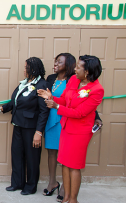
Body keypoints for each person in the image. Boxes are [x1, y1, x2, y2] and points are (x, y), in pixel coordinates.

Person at [38, 55, 104, 203]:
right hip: (66, 127)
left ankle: (73, 199)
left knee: (74, 166)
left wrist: (56, 107)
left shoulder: (97, 90)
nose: (74, 69)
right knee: (64, 162)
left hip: (80, 132)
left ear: (87, 71)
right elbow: (66, 100)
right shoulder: (74, 79)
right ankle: (66, 197)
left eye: (78, 67)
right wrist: (52, 97)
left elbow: (79, 113)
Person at [0, 57, 49, 195]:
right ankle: (17, 183)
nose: (23, 69)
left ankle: (30, 186)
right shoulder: (24, 83)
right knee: (17, 155)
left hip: (32, 128)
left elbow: (44, 111)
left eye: (26, 67)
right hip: (18, 124)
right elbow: (14, 102)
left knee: (32, 158)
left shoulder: (41, 85)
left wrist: (39, 132)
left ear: (33, 69)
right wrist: (0, 109)